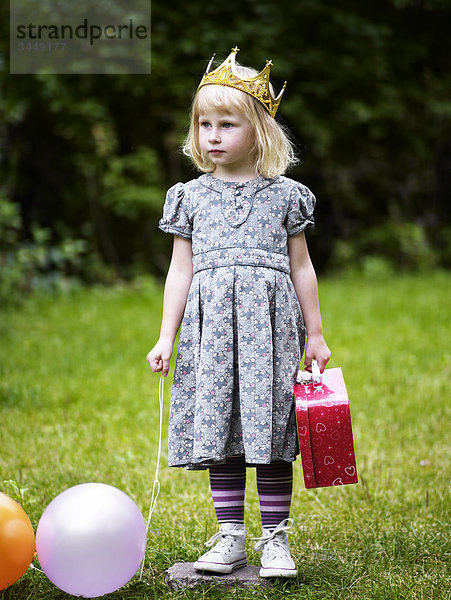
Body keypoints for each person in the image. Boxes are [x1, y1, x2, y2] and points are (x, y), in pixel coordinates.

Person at [147, 47, 331, 578]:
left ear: (260, 131)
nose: (212, 135)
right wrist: (166, 337)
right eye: (204, 124)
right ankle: (230, 537)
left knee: (271, 433)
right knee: (222, 431)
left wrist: (315, 335)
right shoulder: (189, 198)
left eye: (227, 124)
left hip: (271, 335)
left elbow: (302, 269)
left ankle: (275, 540)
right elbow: (180, 272)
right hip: (210, 335)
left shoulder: (285, 197)